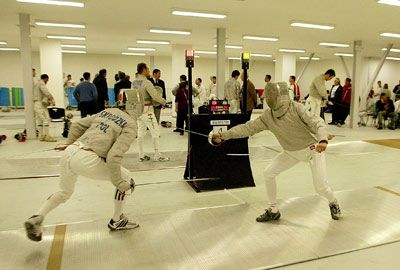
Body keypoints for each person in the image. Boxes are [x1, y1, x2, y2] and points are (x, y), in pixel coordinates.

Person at [210, 82, 341, 222]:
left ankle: (333, 202)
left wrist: (322, 140)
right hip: (290, 152)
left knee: (321, 188)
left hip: (312, 150)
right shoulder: (268, 116)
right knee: (269, 172)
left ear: (281, 96)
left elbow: (318, 123)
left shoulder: (297, 108)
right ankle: (273, 210)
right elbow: (248, 128)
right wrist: (224, 135)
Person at [24, 105, 140, 242]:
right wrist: (119, 182)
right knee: (126, 177)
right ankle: (117, 219)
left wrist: (69, 144)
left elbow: (76, 125)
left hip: (70, 152)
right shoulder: (131, 125)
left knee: (64, 192)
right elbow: (114, 156)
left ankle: (38, 217)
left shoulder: (107, 111)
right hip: (87, 160)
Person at [133, 63, 169, 162]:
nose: (149, 72)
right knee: (156, 132)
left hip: (138, 111)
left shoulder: (134, 82)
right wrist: (164, 102)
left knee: (141, 133)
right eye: (148, 70)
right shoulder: (146, 82)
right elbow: (155, 96)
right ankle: (157, 155)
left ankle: (141, 155)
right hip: (147, 110)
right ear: (144, 70)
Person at [33, 74, 57, 142]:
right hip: (40, 104)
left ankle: (41, 136)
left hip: (36, 104)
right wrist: (52, 98)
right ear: (46, 79)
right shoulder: (41, 83)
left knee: (40, 120)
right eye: (47, 80)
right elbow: (46, 92)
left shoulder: (36, 83)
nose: (47, 82)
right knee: (46, 119)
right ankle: (47, 136)